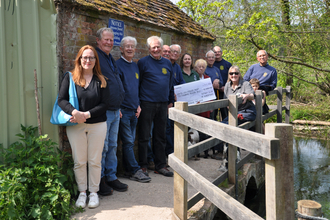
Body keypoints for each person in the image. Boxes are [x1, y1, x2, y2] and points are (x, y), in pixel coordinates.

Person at [58, 45, 110, 209]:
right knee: (79, 161)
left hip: (97, 125)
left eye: (91, 57)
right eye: (85, 57)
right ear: (79, 59)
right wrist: (74, 112)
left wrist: (85, 115)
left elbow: (105, 104)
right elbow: (61, 100)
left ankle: (94, 192)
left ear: (95, 61)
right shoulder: (70, 78)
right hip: (75, 126)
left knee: (95, 161)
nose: (88, 60)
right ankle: (82, 193)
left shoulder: (101, 80)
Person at [95, 27, 127, 195]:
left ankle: (111, 177)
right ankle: (99, 181)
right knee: (103, 146)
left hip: (115, 110)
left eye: (111, 39)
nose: (109, 42)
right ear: (98, 40)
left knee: (113, 145)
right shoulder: (95, 56)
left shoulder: (109, 58)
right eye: (106, 39)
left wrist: (118, 106)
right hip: (103, 111)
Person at [137, 36, 174, 177]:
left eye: (158, 47)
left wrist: (170, 100)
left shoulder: (167, 63)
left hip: (163, 104)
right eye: (153, 47)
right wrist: (138, 103)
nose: (156, 49)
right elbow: (137, 84)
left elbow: (170, 84)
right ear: (149, 49)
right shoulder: (142, 63)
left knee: (160, 136)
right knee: (144, 136)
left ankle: (160, 165)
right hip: (146, 103)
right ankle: (144, 165)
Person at [117, 36, 151, 183]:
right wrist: (117, 107)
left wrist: (138, 105)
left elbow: (135, 88)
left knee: (129, 142)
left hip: (133, 110)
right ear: (121, 49)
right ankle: (135, 170)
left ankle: (127, 170)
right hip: (123, 110)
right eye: (127, 46)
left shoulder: (135, 66)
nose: (130, 48)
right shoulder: (117, 65)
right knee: (129, 142)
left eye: (132, 46)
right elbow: (117, 89)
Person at [165, 44, 185, 157]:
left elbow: (181, 82)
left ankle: (174, 152)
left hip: (175, 103)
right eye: (173, 51)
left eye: (177, 52)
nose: (175, 53)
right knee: (167, 129)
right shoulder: (165, 64)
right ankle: (169, 153)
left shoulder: (177, 67)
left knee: (173, 128)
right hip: (167, 102)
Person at [204, 50, 224, 121]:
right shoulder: (204, 68)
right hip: (207, 96)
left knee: (215, 115)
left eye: (213, 57)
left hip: (216, 95)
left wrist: (218, 81)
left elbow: (222, 82)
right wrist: (212, 84)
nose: (211, 59)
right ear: (206, 58)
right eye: (209, 57)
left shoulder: (216, 69)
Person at [213, 46, 231, 120]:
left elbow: (231, 77)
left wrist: (225, 87)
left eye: (218, 52)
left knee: (225, 113)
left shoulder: (227, 64)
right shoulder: (211, 64)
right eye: (215, 52)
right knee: (214, 112)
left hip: (225, 92)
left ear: (221, 53)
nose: (217, 53)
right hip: (214, 92)